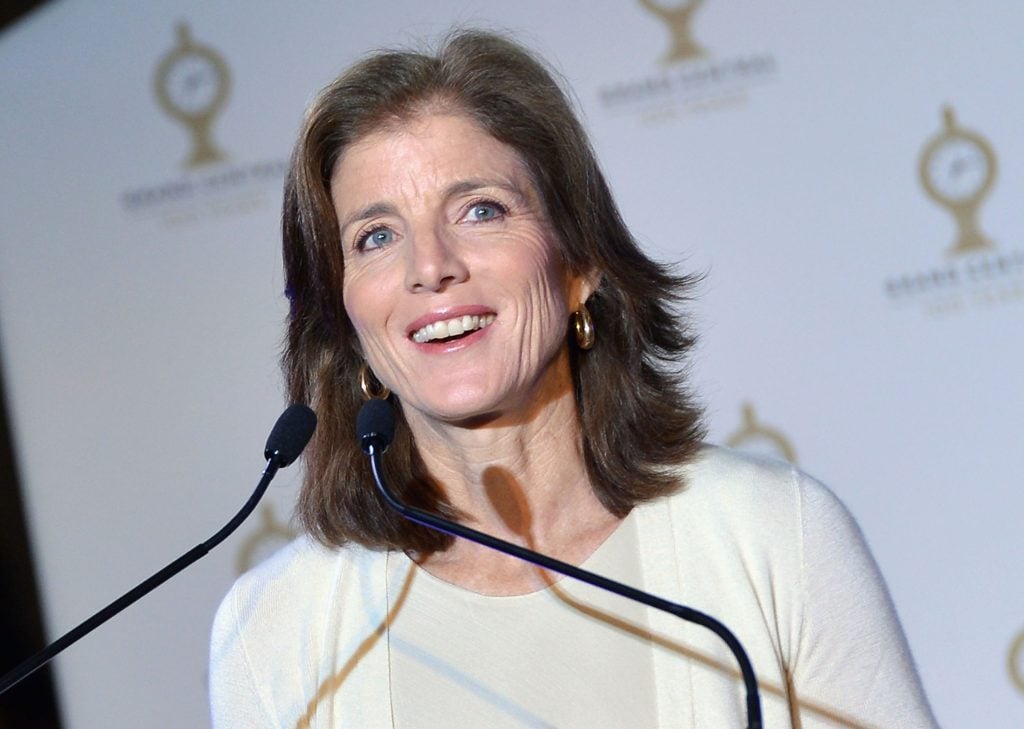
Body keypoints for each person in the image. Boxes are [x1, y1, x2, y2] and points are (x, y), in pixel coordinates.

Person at [209, 30, 937, 728]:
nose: (429, 265)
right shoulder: (276, 625)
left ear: (580, 263)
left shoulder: (774, 536)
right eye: (376, 236)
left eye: (480, 209)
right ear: (344, 315)